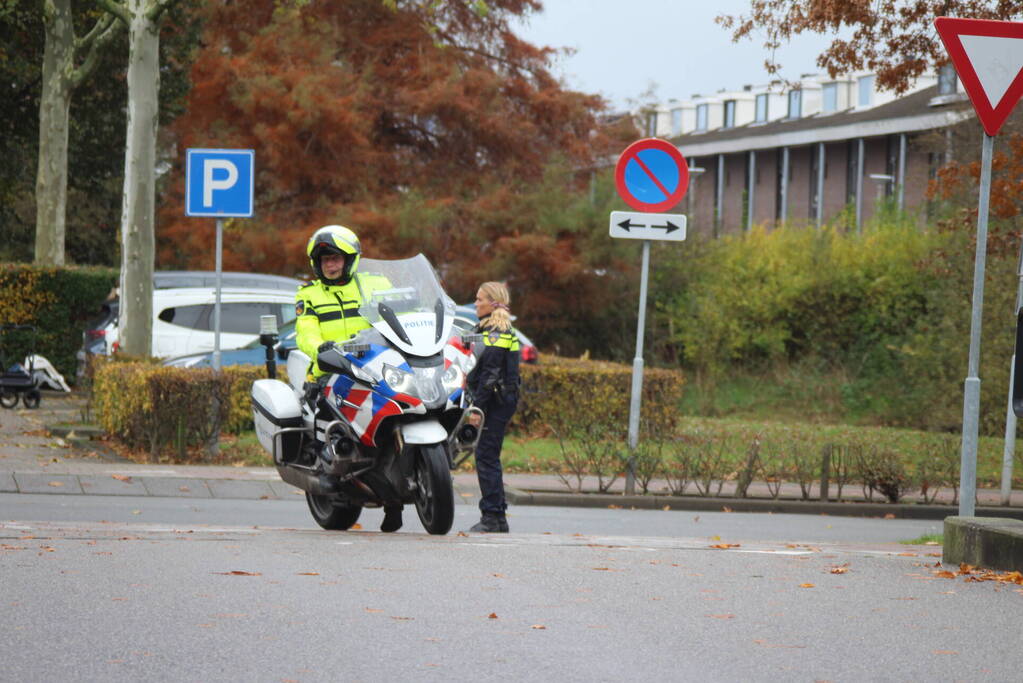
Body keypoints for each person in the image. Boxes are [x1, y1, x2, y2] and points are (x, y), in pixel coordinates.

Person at [295, 224, 403, 533]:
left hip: (374, 366)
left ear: (350, 259)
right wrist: (320, 349)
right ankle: (327, 469)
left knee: (391, 418)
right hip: (330, 369)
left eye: (336, 258)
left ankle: (395, 498)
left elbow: (402, 312)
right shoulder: (309, 295)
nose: (331, 265)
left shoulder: (375, 284)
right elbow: (306, 331)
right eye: (325, 260)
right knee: (327, 418)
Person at [466, 281, 520, 533]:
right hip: (501, 401)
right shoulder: (494, 329)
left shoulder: (496, 332)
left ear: (491, 302)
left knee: (486, 457)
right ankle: (498, 517)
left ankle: (491, 516)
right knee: (489, 456)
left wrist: (477, 410)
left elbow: (490, 376)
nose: (475, 304)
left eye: (479, 299)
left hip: (493, 403)